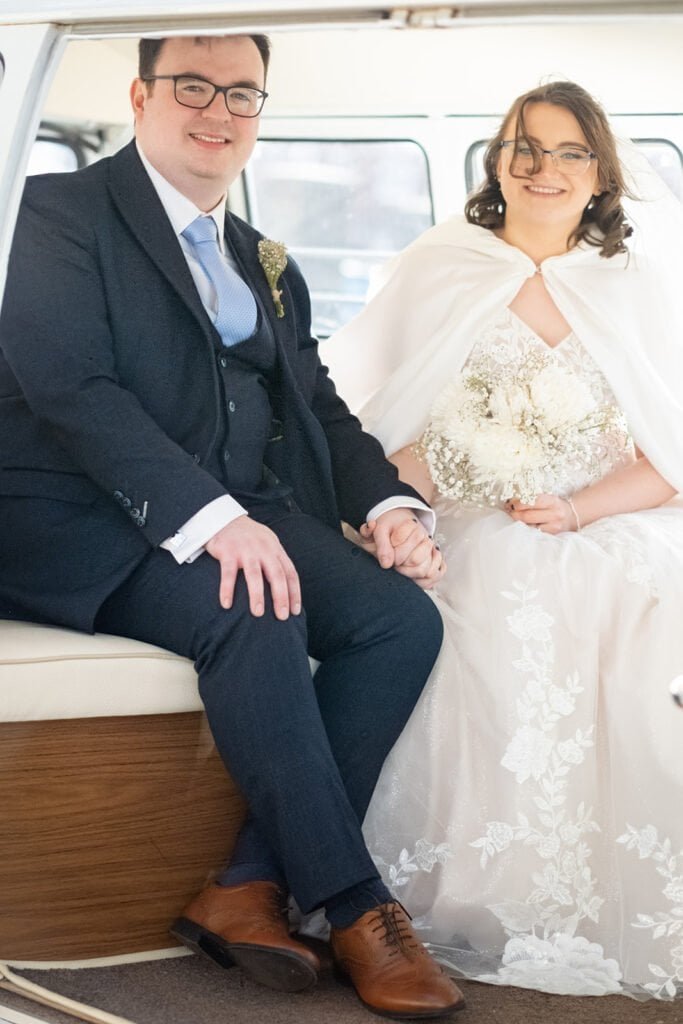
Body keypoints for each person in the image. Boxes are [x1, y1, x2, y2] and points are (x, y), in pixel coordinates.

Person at [0, 33, 467, 1019]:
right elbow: (74, 389)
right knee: (252, 604)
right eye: (193, 86)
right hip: (73, 520)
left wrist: (389, 507)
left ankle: (247, 883)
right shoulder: (48, 214)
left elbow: (319, 408)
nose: (218, 111)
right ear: (140, 96)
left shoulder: (265, 259)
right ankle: (355, 904)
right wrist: (209, 519)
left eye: (241, 94)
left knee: (399, 621)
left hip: (242, 508)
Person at [324, 81, 683, 1001]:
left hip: (603, 515)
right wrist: (404, 518)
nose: (542, 168)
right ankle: (458, 892)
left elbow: (669, 458)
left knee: (617, 596)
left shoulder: (636, 282)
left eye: (568, 152)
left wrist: (580, 510)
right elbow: (391, 432)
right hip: (469, 517)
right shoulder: (443, 267)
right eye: (524, 147)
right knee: (472, 594)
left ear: (599, 174)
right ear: (496, 161)